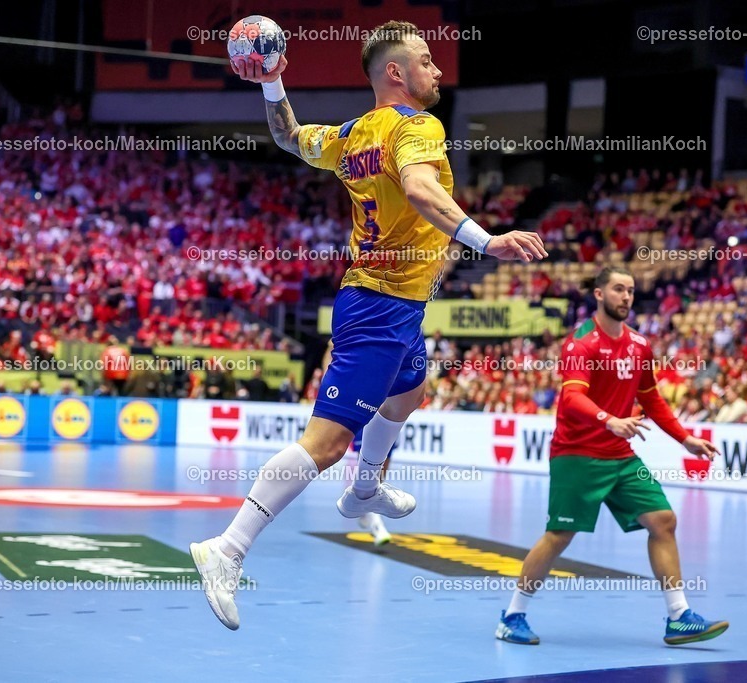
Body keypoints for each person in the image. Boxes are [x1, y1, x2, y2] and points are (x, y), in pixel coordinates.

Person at [190, 21, 547, 631]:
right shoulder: (416, 127)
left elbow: (293, 139)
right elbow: (418, 188)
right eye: (427, 62)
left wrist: (273, 85)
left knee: (410, 392)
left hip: (400, 307)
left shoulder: (355, 133)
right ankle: (226, 549)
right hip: (379, 306)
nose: (438, 72)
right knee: (325, 443)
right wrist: (489, 241)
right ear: (396, 73)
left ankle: (364, 491)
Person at [497, 266, 728, 646]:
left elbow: (652, 399)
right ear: (599, 294)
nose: (626, 297)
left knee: (663, 520)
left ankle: (679, 616)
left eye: (631, 291)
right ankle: (512, 615)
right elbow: (571, 398)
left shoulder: (639, 345)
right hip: (577, 454)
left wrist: (684, 438)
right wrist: (609, 420)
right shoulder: (581, 342)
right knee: (559, 535)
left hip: (620, 455)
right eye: (619, 289)